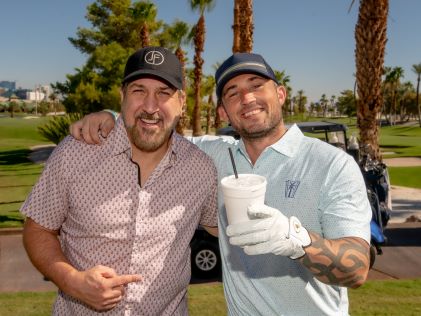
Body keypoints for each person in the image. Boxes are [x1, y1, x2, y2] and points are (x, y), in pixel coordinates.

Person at [71, 52, 371, 315]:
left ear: (280, 94)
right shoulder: (211, 155)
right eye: (232, 93)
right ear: (223, 112)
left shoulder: (331, 164)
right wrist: (111, 116)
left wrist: (296, 240)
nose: (247, 99)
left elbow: (356, 269)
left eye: (257, 86)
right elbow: (152, 129)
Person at [21, 46, 218, 315]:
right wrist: (72, 281)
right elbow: (38, 229)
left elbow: (222, 226)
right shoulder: (75, 152)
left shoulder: (200, 168)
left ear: (182, 103)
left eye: (163, 93)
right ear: (122, 96)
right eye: (139, 90)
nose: (150, 107)